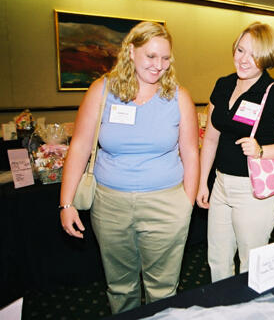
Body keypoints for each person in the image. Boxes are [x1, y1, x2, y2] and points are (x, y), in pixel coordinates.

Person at [59, 21, 199, 313]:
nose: (159, 65)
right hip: (110, 204)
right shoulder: (102, 90)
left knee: (163, 287)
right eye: (151, 56)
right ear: (131, 52)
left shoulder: (178, 97)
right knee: (120, 286)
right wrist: (66, 203)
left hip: (166, 204)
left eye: (165, 58)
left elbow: (190, 152)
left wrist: (185, 203)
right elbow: (81, 147)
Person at [196, 22, 274, 282]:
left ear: (266, 58)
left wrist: (262, 151)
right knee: (217, 258)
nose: (244, 60)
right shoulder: (223, 85)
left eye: (253, 54)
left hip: (255, 190)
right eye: (240, 50)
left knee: (251, 262)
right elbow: (211, 138)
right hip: (221, 184)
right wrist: (204, 181)